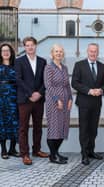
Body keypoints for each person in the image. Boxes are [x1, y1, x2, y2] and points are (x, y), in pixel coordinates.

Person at [71, 43, 104, 165]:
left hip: (97, 103)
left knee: (93, 129)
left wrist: (101, 90)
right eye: (91, 51)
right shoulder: (79, 65)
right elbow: (74, 83)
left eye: (95, 51)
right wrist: (89, 90)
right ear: (87, 52)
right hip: (84, 103)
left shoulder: (102, 66)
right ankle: (84, 154)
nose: (93, 53)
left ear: (98, 52)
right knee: (84, 129)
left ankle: (91, 151)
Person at [15, 37, 48, 165]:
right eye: (27, 45)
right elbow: (18, 79)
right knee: (23, 127)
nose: (30, 47)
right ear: (24, 47)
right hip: (25, 99)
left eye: (32, 45)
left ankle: (37, 150)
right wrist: (30, 93)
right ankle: (25, 154)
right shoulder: (19, 61)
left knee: (38, 126)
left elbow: (46, 80)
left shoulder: (42, 61)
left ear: (36, 46)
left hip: (39, 100)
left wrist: (39, 93)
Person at [44, 44, 72, 164]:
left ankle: (55, 152)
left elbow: (67, 85)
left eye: (61, 51)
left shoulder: (64, 68)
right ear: (52, 54)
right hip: (53, 102)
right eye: (56, 51)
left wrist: (70, 98)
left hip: (65, 102)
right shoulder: (48, 68)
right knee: (54, 129)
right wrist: (57, 99)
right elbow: (48, 85)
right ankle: (53, 156)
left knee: (62, 127)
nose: (59, 53)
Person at [0, 43, 20, 159]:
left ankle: (12, 149)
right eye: (3, 51)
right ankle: (3, 150)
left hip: (14, 97)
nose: (5, 53)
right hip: (1, 98)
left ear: (11, 52)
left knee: (14, 122)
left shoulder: (16, 66)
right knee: (2, 123)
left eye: (7, 50)